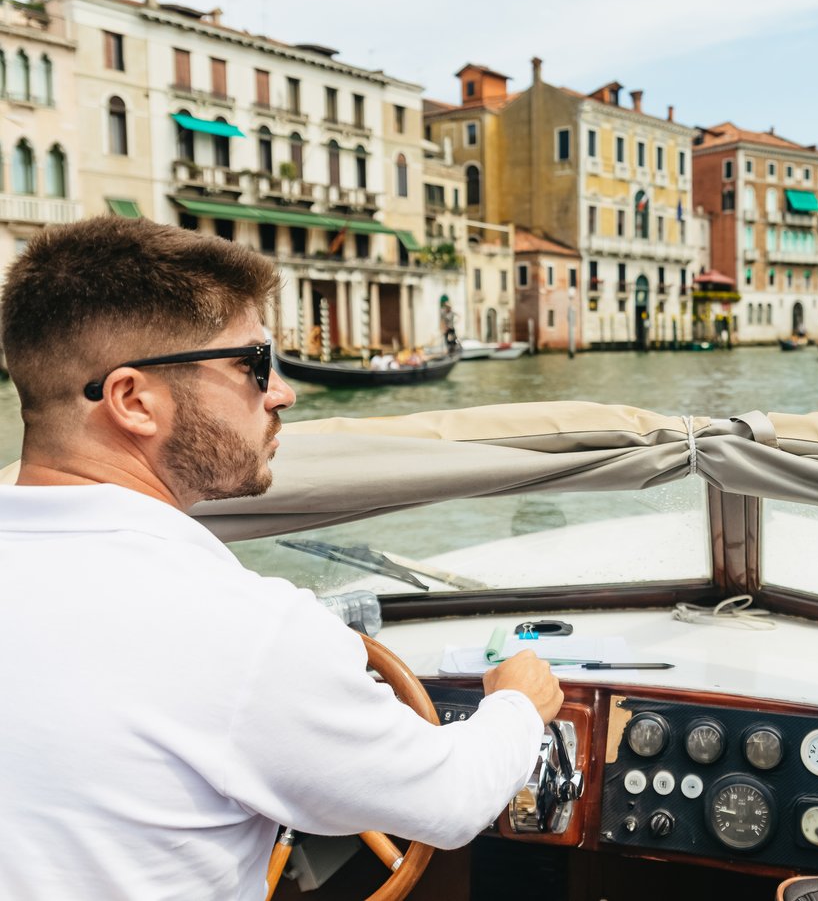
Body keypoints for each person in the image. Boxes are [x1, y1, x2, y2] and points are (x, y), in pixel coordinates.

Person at [0, 217, 562, 899]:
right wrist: (517, 705)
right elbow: (452, 799)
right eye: (253, 364)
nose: (282, 391)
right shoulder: (243, 630)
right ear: (132, 401)